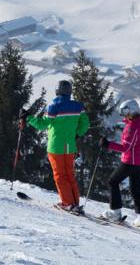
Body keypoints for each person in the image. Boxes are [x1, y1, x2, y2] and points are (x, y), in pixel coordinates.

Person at [21, 80, 90, 213]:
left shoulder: (53, 106)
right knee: (70, 174)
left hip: (55, 147)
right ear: (70, 91)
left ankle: (67, 203)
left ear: (57, 90)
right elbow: (85, 123)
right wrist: (77, 134)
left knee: (60, 175)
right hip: (70, 146)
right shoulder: (78, 106)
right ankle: (74, 202)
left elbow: (41, 125)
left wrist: (28, 118)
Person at [99, 99, 140, 229]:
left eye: (125, 111)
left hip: (131, 161)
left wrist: (107, 144)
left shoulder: (132, 127)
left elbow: (125, 148)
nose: (123, 115)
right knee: (135, 188)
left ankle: (115, 212)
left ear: (132, 110)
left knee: (113, 181)